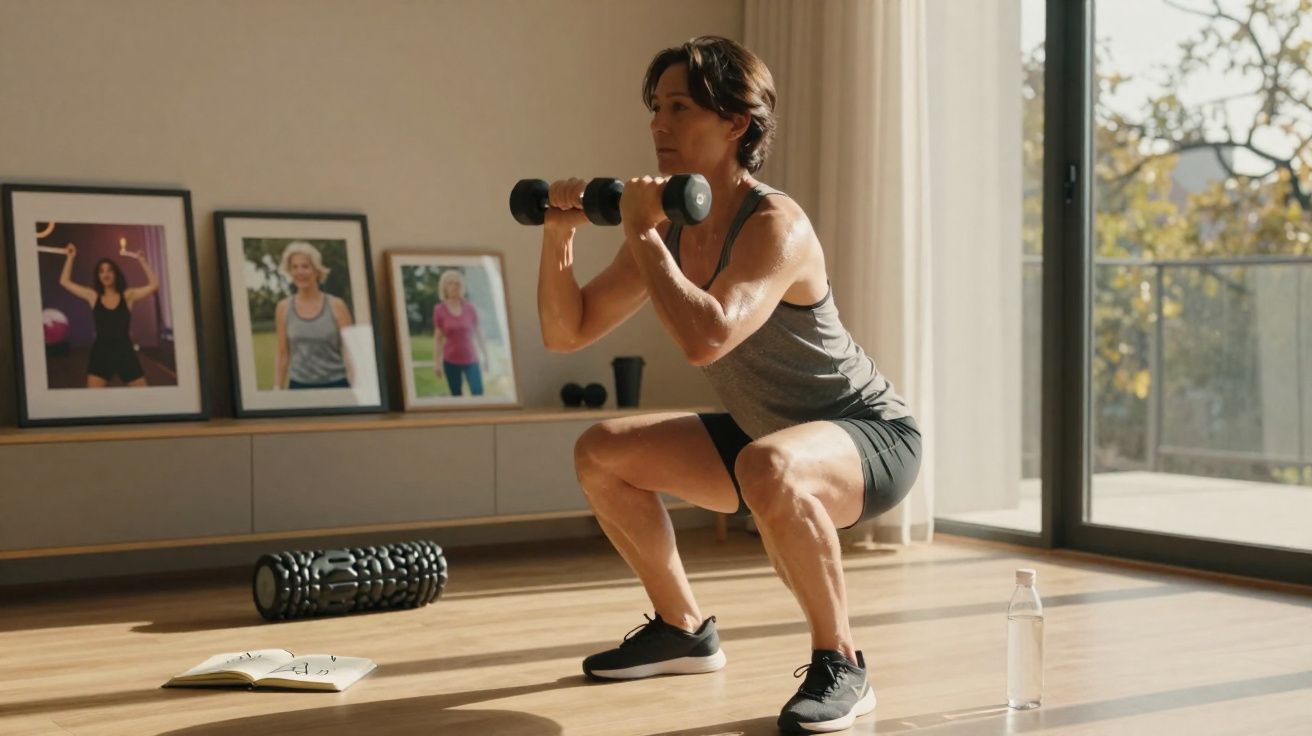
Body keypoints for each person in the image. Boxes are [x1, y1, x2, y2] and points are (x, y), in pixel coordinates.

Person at [535, 36, 921, 733]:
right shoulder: (670, 228)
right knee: (600, 451)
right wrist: (558, 233)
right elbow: (569, 331)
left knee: (768, 464)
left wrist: (646, 237)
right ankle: (683, 629)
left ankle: (845, 663)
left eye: (679, 107)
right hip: (763, 437)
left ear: (736, 123)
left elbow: (707, 335)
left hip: (868, 437)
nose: (658, 125)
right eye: (656, 108)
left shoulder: (777, 223)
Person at [58, 244, 159, 388]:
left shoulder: (128, 296)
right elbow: (64, 282)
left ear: (116, 274)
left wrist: (142, 261)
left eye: (109, 270)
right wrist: (70, 257)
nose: (105, 274)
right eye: (101, 271)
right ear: (98, 276)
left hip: (125, 353)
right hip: (101, 353)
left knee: (144, 398)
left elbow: (154, 285)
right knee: (95, 404)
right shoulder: (93, 296)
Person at [273, 241, 354, 390]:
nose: (300, 272)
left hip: (337, 385)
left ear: (317, 270)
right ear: (290, 272)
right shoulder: (283, 308)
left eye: (305, 266)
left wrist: (358, 385)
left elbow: (350, 351)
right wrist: (277, 387)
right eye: (294, 267)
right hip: (298, 386)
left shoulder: (337, 305)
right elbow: (283, 353)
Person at [432, 269, 489, 396]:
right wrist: (437, 363)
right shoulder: (439, 310)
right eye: (450, 283)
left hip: (472, 359)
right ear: (444, 287)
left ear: (462, 287)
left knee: (478, 393)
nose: (454, 287)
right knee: (457, 396)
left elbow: (479, 334)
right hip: (451, 361)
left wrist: (486, 357)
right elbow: (438, 339)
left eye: (457, 284)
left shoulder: (470, 308)